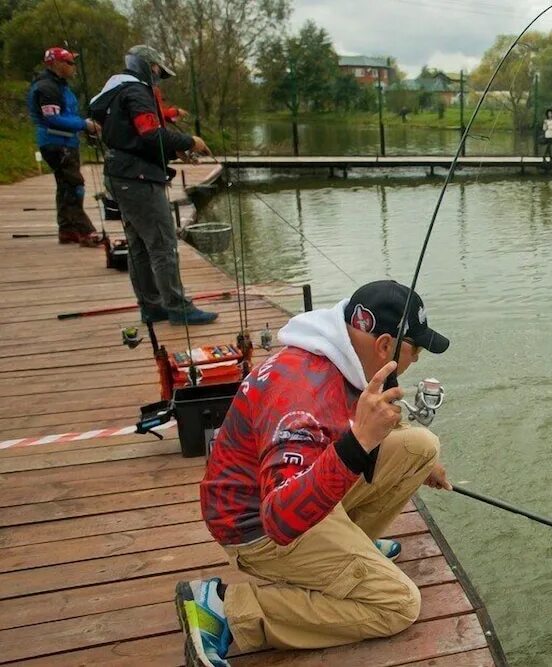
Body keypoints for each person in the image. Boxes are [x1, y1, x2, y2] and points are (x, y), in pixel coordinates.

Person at [176, 280, 452, 667]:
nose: (417, 360)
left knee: (419, 446)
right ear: (385, 346)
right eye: (416, 349)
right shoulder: (302, 399)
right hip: (256, 530)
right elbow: (280, 520)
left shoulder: (337, 355)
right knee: (398, 605)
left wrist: (420, 464)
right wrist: (358, 444)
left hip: (297, 496)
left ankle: (348, 549)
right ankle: (226, 607)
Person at [89, 45, 217, 325]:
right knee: (162, 243)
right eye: (158, 71)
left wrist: (174, 151)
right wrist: (189, 142)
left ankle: (151, 305)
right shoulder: (136, 92)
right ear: (149, 67)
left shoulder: (117, 90)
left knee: (139, 245)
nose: (158, 77)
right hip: (138, 179)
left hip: (121, 175)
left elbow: (134, 137)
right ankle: (177, 306)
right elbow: (149, 135)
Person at [26, 47, 102, 247]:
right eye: (69, 62)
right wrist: (83, 125)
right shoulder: (47, 87)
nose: (73, 66)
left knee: (65, 186)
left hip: (65, 141)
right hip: (57, 143)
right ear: (55, 64)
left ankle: (67, 230)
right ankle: (86, 232)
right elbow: (53, 118)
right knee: (75, 185)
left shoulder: (60, 85)